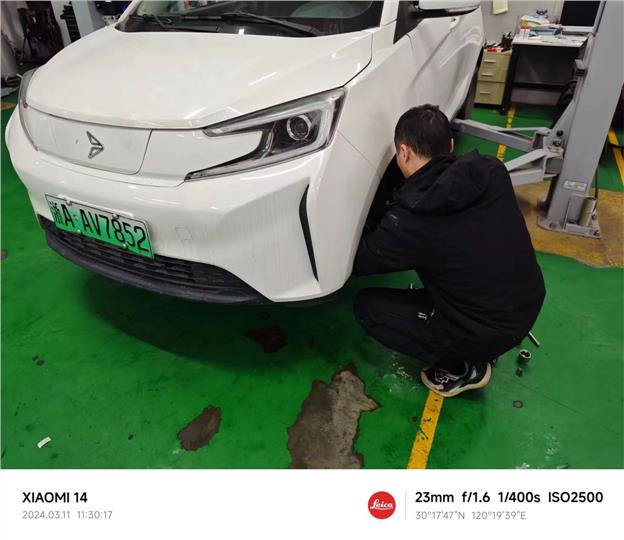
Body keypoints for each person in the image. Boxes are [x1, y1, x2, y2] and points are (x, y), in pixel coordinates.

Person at [353, 104, 545, 397]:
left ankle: (464, 366)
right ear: (451, 145)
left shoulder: (413, 219)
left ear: (403, 152)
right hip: (525, 303)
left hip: (487, 328)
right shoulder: (491, 170)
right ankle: (478, 341)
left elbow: (362, 261)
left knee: (369, 309)